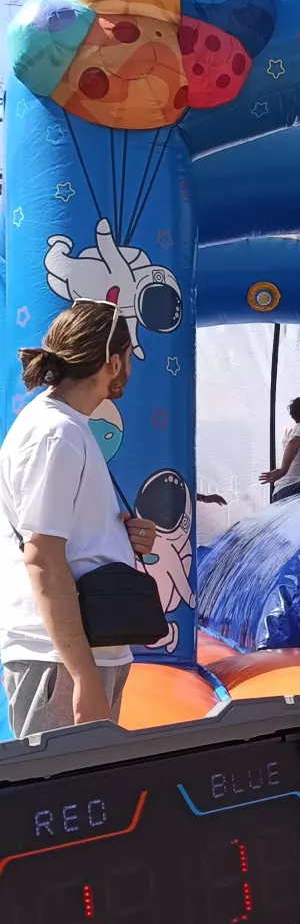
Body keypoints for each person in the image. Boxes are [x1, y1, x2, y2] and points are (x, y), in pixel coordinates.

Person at [0, 300, 155, 737]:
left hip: (84, 649)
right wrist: (84, 676)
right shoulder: (56, 432)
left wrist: (120, 536)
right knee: (59, 780)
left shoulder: (68, 426)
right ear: (114, 362)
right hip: (61, 657)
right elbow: (43, 557)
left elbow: (59, 540)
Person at [259, 395, 300, 501]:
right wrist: (283, 471)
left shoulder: (295, 431)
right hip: (295, 488)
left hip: (280, 493)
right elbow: (293, 443)